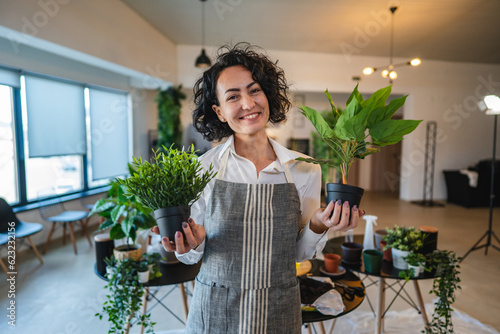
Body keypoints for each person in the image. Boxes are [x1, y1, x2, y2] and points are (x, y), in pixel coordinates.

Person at [152, 43, 365, 333]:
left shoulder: (304, 169)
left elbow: (300, 254)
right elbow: (190, 256)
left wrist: (318, 223)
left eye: (255, 90)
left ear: (268, 95)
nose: (249, 103)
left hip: (278, 306)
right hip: (215, 308)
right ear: (220, 111)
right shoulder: (201, 170)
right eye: (233, 96)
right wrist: (191, 243)